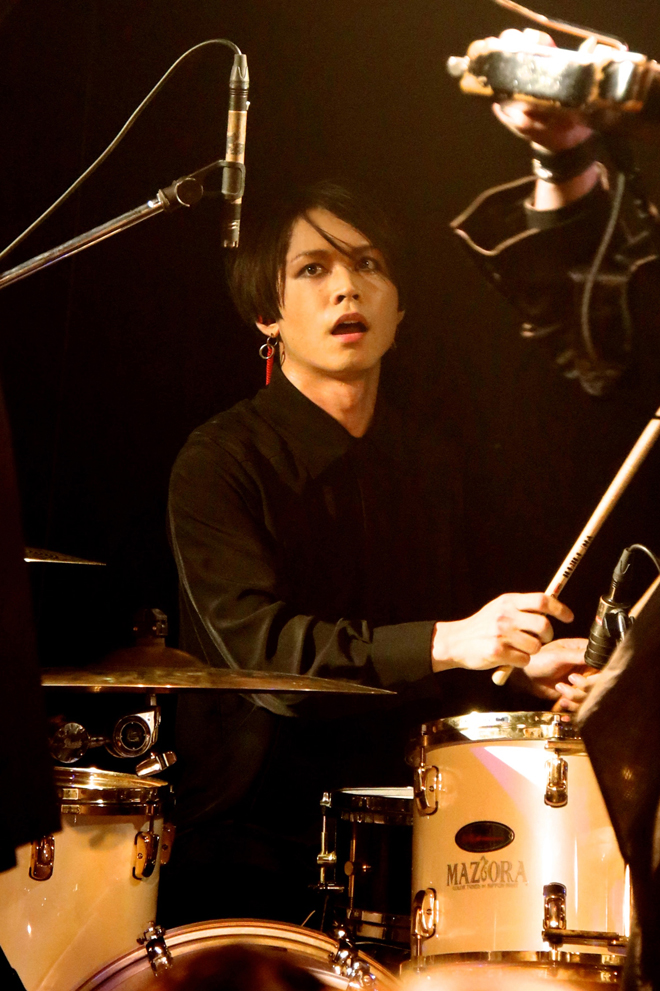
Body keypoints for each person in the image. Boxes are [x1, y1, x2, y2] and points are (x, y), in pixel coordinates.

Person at [159, 180, 587, 929]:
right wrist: (451, 640)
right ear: (266, 312)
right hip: (255, 846)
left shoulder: (430, 462)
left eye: (368, 264)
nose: (347, 288)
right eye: (313, 268)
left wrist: (522, 666)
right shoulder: (220, 462)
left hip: (420, 830)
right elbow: (268, 661)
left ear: (399, 306)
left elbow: (446, 658)